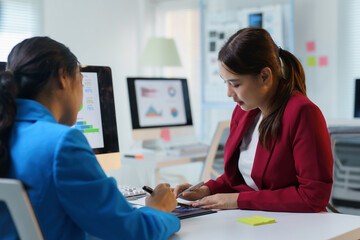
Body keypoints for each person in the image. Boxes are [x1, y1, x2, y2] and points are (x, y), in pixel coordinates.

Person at [0, 36, 180, 239]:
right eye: (82, 81)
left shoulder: (8, 131)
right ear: (63, 78)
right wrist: (158, 209)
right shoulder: (63, 143)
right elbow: (133, 232)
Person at [174, 27, 333, 213]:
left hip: (292, 223)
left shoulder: (303, 113)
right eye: (226, 83)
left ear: (264, 76)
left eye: (235, 84)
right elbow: (237, 178)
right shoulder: (243, 112)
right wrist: (206, 190)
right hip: (253, 219)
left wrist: (238, 200)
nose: (229, 94)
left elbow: (313, 196)